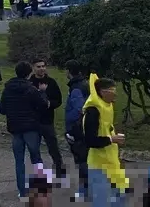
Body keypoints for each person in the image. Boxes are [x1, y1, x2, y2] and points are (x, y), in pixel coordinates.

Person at [0, 61, 49, 200]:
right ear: (29, 74)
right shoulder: (31, 89)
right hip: (31, 127)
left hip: (15, 128)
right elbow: (42, 105)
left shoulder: (7, 89)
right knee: (36, 157)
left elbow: (2, 109)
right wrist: (43, 93)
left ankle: (22, 191)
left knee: (19, 161)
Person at [83, 74, 129, 207]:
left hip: (111, 160)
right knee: (101, 201)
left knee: (121, 193)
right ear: (103, 92)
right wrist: (111, 139)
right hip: (98, 164)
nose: (115, 94)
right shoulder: (93, 112)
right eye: (112, 90)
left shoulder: (107, 106)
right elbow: (90, 140)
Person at [29, 59, 66, 177]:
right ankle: (39, 172)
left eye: (43, 66)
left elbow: (58, 100)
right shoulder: (30, 83)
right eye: (38, 66)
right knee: (34, 148)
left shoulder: (51, 82)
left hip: (47, 120)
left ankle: (59, 168)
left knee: (53, 145)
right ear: (33, 68)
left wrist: (50, 104)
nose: (41, 69)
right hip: (34, 121)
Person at [64, 62, 90, 200]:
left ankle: (84, 190)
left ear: (68, 71)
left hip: (77, 129)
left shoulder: (75, 88)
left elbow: (79, 109)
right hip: (84, 127)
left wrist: (72, 127)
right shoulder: (84, 84)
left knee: (81, 160)